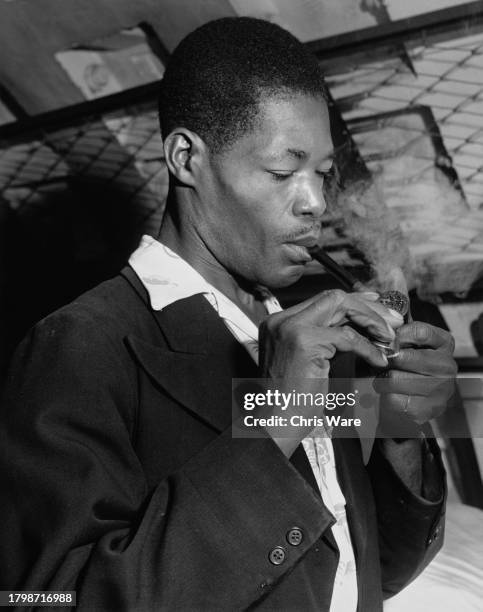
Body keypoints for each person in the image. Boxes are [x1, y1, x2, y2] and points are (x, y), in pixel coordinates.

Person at [0, 17, 455, 611]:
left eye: (321, 173)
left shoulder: (318, 341)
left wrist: (399, 423)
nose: (316, 202)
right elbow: (52, 603)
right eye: (281, 171)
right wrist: (276, 423)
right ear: (186, 158)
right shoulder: (80, 347)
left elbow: (367, 569)